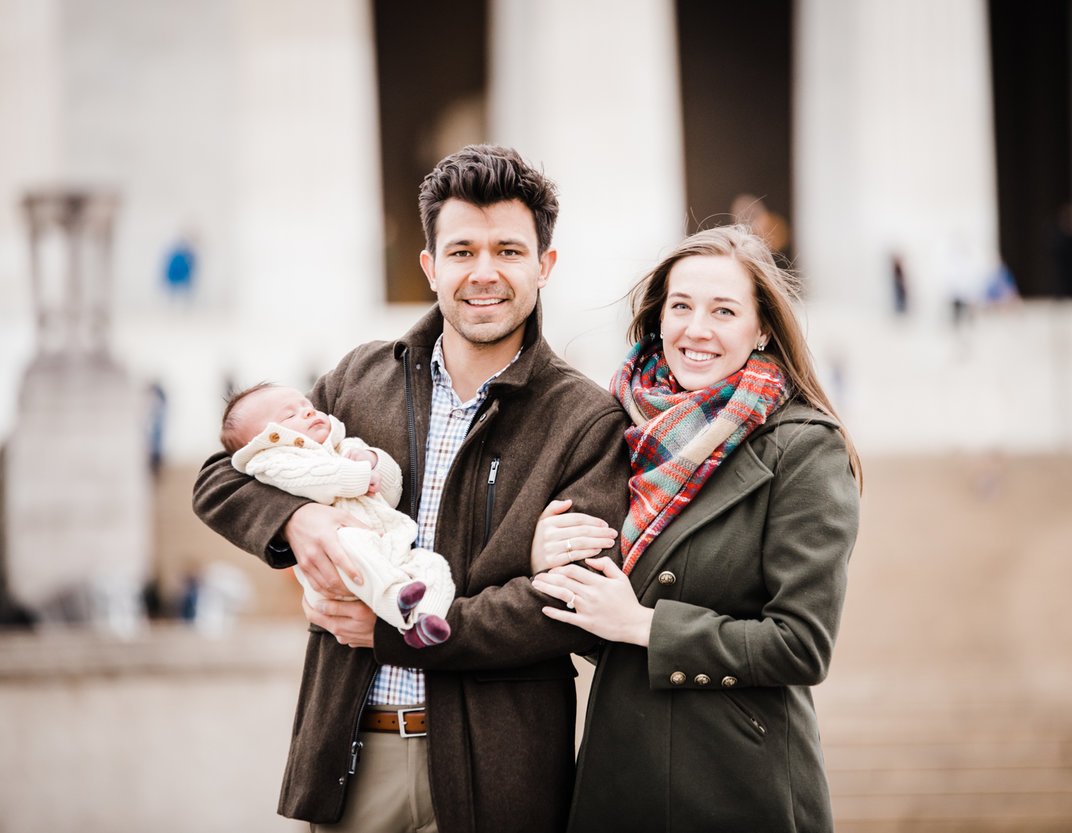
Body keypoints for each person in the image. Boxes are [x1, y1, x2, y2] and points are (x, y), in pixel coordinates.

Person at [191, 145, 630, 833]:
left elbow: (567, 604)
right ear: (430, 265)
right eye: (461, 251)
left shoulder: (585, 419)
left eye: (508, 251)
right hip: (351, 760)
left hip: (500, 775)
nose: (483, 273)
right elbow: (222, 473)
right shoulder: (358, 380)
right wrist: (298, 520)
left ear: (544, 265)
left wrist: (397, 634)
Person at [527, 224, 861, 832]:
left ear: (762, 329)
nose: (696, 329)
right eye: (680, 306)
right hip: (620, 774)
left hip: (734, 781)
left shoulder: (805, 449)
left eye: (724, 311)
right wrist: (547, 557)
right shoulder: (622, 427)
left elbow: (801, 644)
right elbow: (599, 623)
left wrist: (646, 626)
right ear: (659, 318)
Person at [220, 383, 454, 647]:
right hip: (340, 562)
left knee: (433, 564)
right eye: (289, 415)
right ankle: (398, 601)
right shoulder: (272, 461)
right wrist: (361, 474)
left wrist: (374, 460)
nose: (308, 412)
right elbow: (313, 481)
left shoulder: (346, 446)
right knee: (352, 543)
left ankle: (424, 620)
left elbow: (391, 494)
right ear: (268, 438)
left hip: (389, 546)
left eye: (308, 407)